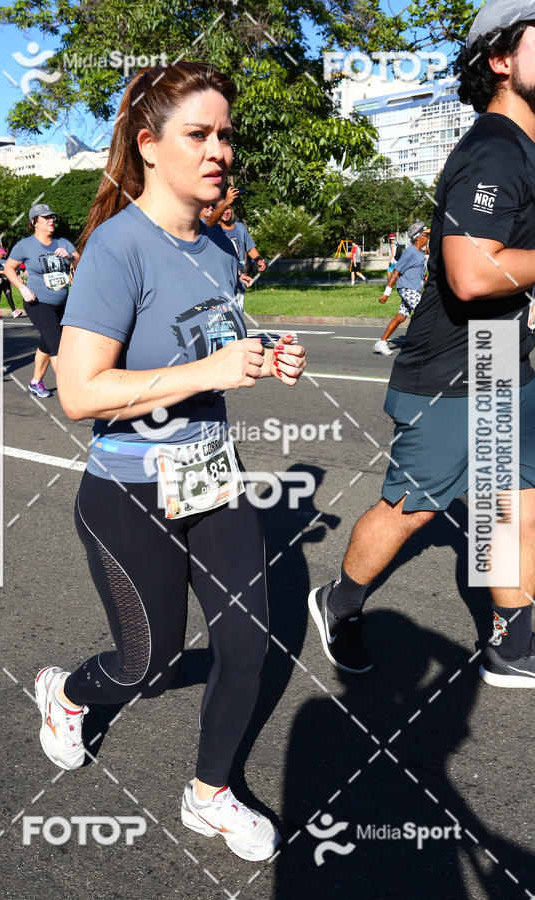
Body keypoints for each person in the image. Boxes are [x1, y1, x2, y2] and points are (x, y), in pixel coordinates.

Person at [34, 61, 306, 861]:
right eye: (199, 134)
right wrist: (209, 373)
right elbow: (80, 391)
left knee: (248, 643)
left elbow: (208, 347)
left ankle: (209, 793)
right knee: (146, 660)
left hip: (211, 471)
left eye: (226, 133)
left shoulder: (220, 245)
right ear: (149, 146)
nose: (219, 148)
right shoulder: (117, 248)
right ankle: (69, 696)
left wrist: (258, 355)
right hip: (129, 489)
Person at [308, 0, 535, 686]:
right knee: (412, 510)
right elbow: (471, 272)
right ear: (501, 60)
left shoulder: (525, 147)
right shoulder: (494, 148)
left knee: (515, 501)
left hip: (502, 363)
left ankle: (512, 639)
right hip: (450, 374)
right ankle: (338, 601)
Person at [4, 204, 79, 398]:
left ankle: (35, 382)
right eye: (45, 217)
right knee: (56, 343)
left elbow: (81, 262)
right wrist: (22, 287)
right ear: (34, 222)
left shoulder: (63, 242)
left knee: (47, 343)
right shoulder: (24, 245)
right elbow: (8, 269)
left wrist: (71, 257)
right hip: (38, 302)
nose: (51, 220)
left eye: (52, 217)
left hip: (63, 303)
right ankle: (71, 390)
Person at [373, 222, 430, 356]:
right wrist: (386, 294)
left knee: (401, 317)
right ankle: (417, 343)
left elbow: (420, 275)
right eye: (426, 235)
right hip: (407, 288)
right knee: (423, 312)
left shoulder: (420, 253)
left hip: (414, 288)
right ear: (418, 237)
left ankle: (381, 342)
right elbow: (396, 272)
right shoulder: (410, 252)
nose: (428, 238)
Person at [215, 203, 266, 287]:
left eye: (228, 208)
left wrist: (258, 259)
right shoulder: (214, 230)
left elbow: (249, 247)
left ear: (231, 209)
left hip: (240, 277)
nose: (225, 211)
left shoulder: (240, 227)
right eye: (222, 209)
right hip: (222, 278)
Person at [0, 247, 22, 318]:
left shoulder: (5, 260)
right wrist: (4, 272)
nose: (3, 255)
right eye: (1, 254)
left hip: (6, 281)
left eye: (3, 254)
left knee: (9, 295)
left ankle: (14, 312)